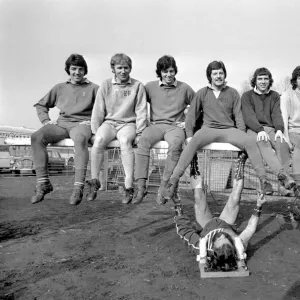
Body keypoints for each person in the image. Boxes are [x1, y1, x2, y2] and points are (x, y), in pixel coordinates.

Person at [162, 60, 276, 200]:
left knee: (249, 141)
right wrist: (190, 135)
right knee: (191, 144)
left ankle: (263, 180)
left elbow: (238, 116)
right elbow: (191, 115)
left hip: (228, 129)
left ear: (224, 75)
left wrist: (242, 133)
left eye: (220, 73)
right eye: (214, 73)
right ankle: (172, 181)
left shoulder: (233, 93)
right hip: (208, 129)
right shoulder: (202, 93)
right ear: (210, 76)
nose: (218, 76)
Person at [174, 153, 265, 272]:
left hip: (206, 226)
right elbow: (250, 229)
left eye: (219, 240)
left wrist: (178, 206)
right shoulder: (238, 244)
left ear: (214, 249)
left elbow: (184, 231)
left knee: (199, 197)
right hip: (225, 223)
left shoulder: (202, 247)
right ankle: (241, 161)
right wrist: (259, 205)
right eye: (226, 238)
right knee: (235, 198)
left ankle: (193, 163)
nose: (221, 235)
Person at [31, 54, 99, 205]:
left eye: (80, 69)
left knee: (81, 138)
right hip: (61, 124)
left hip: (82, 124)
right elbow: (41, 105)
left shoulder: (94, 88)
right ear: (68, 69)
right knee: (36, 137)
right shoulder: (59, 87)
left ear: (85, 71)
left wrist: (94, 122)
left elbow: (105, 109)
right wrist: (46, 121)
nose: (77, 72)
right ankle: (43, 183)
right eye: (73, 69)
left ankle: (78, 187)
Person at [86, 53, 147, 204]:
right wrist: (94, 131)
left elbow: (141, 110)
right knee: (99, 140)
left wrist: (139, 132)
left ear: (130, 69)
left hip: (128, 123)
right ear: (113, 69)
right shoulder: (106, 85)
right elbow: (98, 110)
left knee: (125, 141)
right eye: (119, 68)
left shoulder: (137, 86)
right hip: (109, 123)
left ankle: (128, 186)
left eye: (126, 68)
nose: (123, 71)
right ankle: (94, 182)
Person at [133, 55, 195, 204]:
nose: (168, 75)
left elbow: (198, 106)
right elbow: (138, 104)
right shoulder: (150, 87)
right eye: (165, 71)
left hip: (174, 127)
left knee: (176, 146)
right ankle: (141, 186)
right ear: (159, 72)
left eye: (171, 71)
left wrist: (187, 123)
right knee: (143, 141)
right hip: (155, 125)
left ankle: (164, 187)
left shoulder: (184, 88)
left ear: (175, 71)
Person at [241, 67, 297, 196]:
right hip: (253, 129)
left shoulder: (275, 95)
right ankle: (281, 176)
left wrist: (279, 130)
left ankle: (283, 187)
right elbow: (248, 116)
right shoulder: (247, 96)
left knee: (282, 144)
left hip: (271, 128)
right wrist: (259, 129)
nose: (263, 81)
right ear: (255, 81)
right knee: (263, 143)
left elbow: (277, 114)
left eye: (266, 79)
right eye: (260, 79)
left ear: (269, 81)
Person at [281, 66, 300, 186]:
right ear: (295, 80)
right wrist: (287, 138)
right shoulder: (287, 95)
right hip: (293, 130)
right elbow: (284, 119)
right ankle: (298, 183)